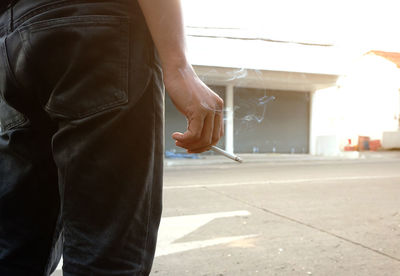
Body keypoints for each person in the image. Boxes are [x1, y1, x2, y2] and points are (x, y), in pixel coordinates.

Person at [0, 0, 224, 275]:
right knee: (104, 258)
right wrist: (178, 65)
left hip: (11, 38)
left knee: (14, 251)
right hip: (98, 31)